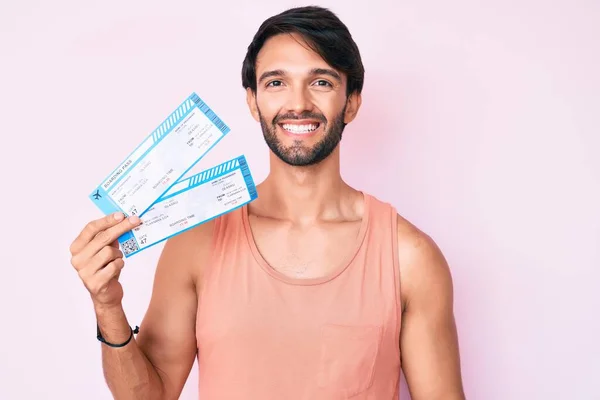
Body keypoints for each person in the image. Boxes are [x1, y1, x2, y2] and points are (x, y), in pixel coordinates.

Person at [69, 5, 466, 400]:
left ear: (352, 102)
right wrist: (108, 306)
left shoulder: (410, 257)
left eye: (322, 82)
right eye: (276, 82)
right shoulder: (196, 244)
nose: (298, 103)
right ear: (252, 101)